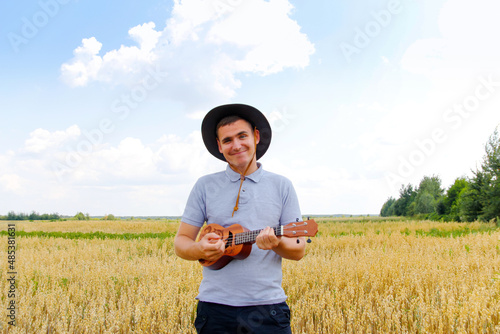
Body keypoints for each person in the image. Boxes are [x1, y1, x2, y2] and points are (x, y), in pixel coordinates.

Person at [174, 103, 306, 334]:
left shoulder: (282, 186)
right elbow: (181, 242)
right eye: (227, 140)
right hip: (214, 310)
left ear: (256, 136)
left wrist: (276, 244)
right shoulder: (204, 186)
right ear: (219, 145)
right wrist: (201, 250)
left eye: (242, 136)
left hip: (268, 310)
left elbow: (298, 249)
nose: (236, 145)